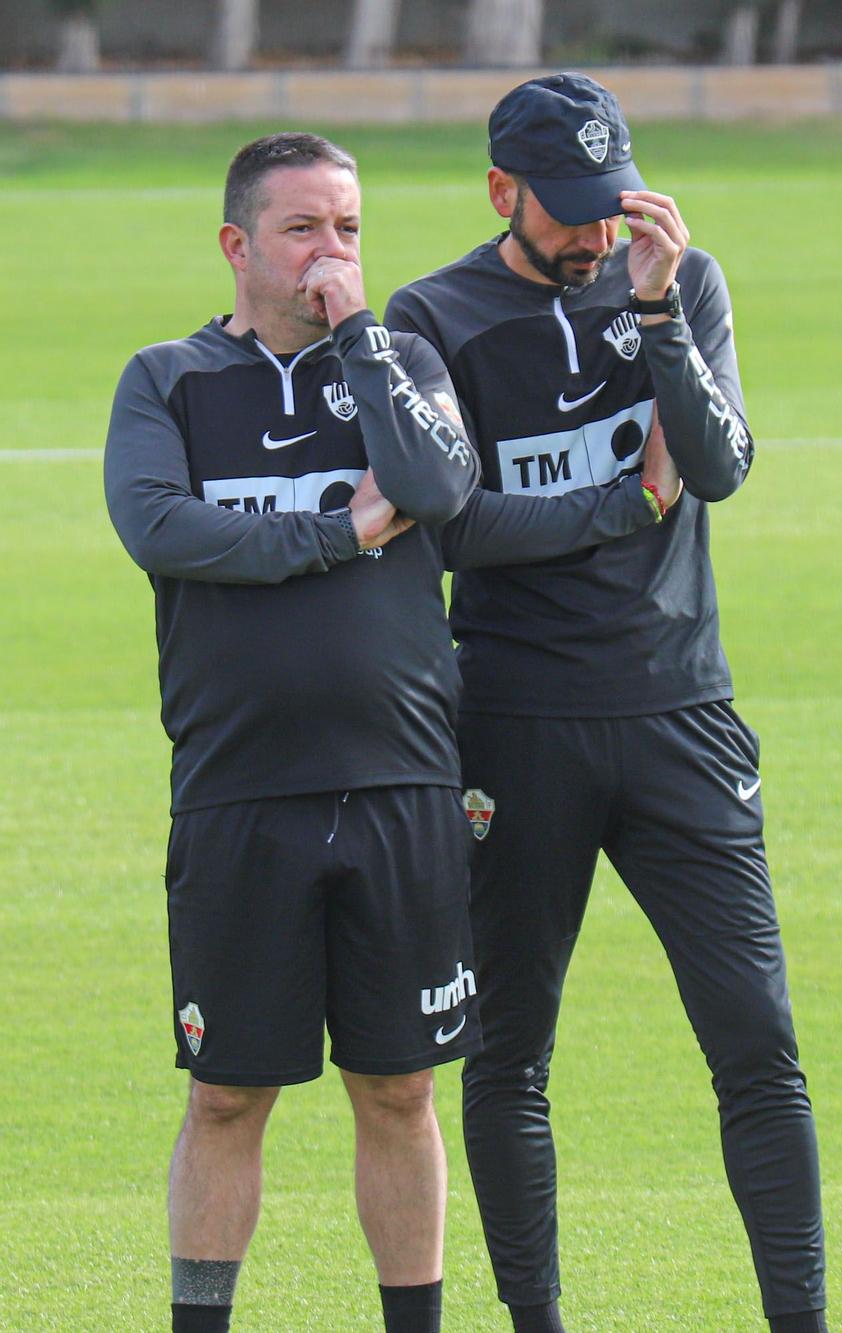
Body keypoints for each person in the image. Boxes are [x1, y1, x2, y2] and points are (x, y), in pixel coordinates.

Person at [104, 132, 676, 1333]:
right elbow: (163, 531)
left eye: (350, 229)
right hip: (238, 788)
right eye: (304, 228)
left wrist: (362, 341)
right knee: (224, 1096)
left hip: (405, 783)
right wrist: (333, 533)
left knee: (400, 1087)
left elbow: (431, 488)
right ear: (237, 244)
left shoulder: (401, 358)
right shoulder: (166, 380)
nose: (331, 252)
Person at [384, 74, 825, 1333]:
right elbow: (455, 521)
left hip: (681, 713)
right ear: (499, 193)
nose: (592, 232)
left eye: (608, 204)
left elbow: (724, 467)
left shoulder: (680, 280)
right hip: (513, 727)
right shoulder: (436, 316)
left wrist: (656, 315)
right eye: (567, 212)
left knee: (756, 1042)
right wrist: (620, 506)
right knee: (509, 1052)